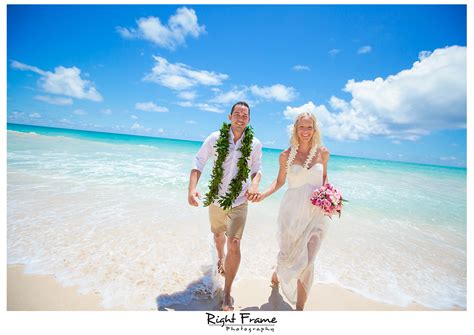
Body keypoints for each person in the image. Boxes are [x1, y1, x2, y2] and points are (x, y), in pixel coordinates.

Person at [188, 101, 262, 311]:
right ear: (229, 117)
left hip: (240, 200)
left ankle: (227, 292)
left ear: (249, 120)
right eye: (237, 113)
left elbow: (257, 168)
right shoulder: (215, 138)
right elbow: (199, 161)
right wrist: (191, 189)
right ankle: (220, 258)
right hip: (216, 198)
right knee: (218, 235)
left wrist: (255, 184)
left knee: (235, 242)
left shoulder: (255, 143)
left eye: (244, 115)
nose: (240, 118)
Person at [255, 111, 330, 311]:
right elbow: (280, 182)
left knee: (308, 260)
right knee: (289, 255)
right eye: (301, 127)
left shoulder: (323, 152)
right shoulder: (286, 155)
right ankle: (277, 273)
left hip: (316, 214)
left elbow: (324, 180)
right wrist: (262, 195)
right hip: (291, 211)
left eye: (309, 127)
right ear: (295, 129)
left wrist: (332, 200)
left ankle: (300, 309)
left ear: (315, 130)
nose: (305, 131)